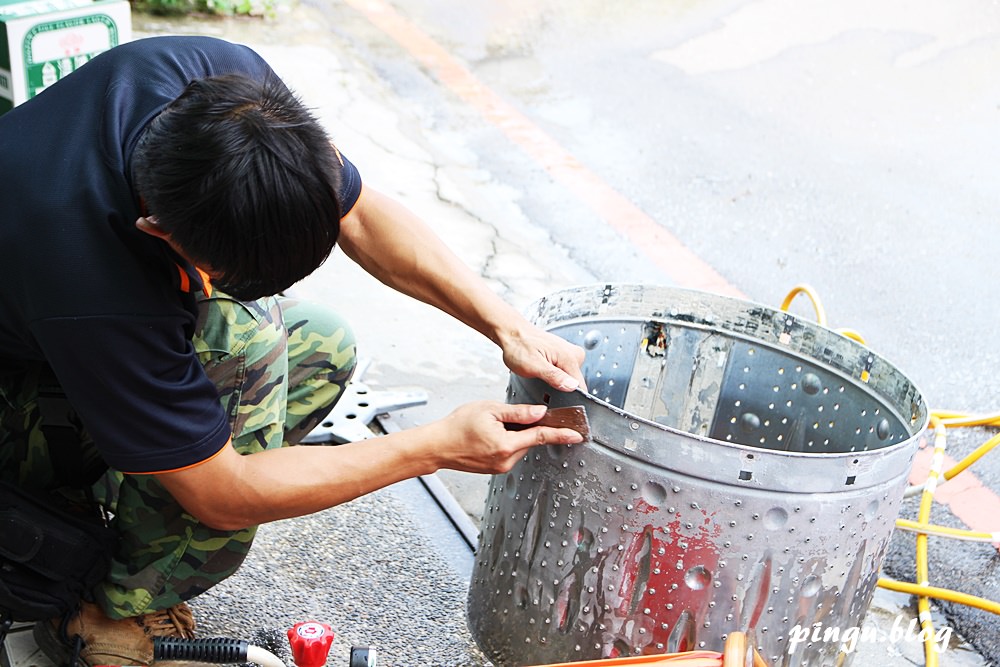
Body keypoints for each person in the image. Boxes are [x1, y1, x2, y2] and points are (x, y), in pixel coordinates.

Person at [0, 35, 586, 666]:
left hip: (60, 329)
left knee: (318, 344)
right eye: (214, 274)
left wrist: (508, 325)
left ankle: (131, 473)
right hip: (17, 380)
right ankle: (99, 607)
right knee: (242, 346)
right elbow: (223, 494)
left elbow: (358, 215)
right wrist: (435, 447)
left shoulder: (234, 90)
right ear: (158, 231)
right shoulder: (90, 276)